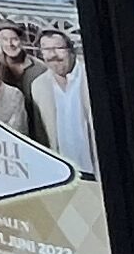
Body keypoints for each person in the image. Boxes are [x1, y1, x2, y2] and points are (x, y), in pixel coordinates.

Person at [30, 24, 96, 177]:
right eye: (46, 49)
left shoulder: (91, 76)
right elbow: (42, 135)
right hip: (65, 174)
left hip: (97, 170)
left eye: (58, 48)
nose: (53, 55)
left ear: (71, 50)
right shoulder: (38, 86)